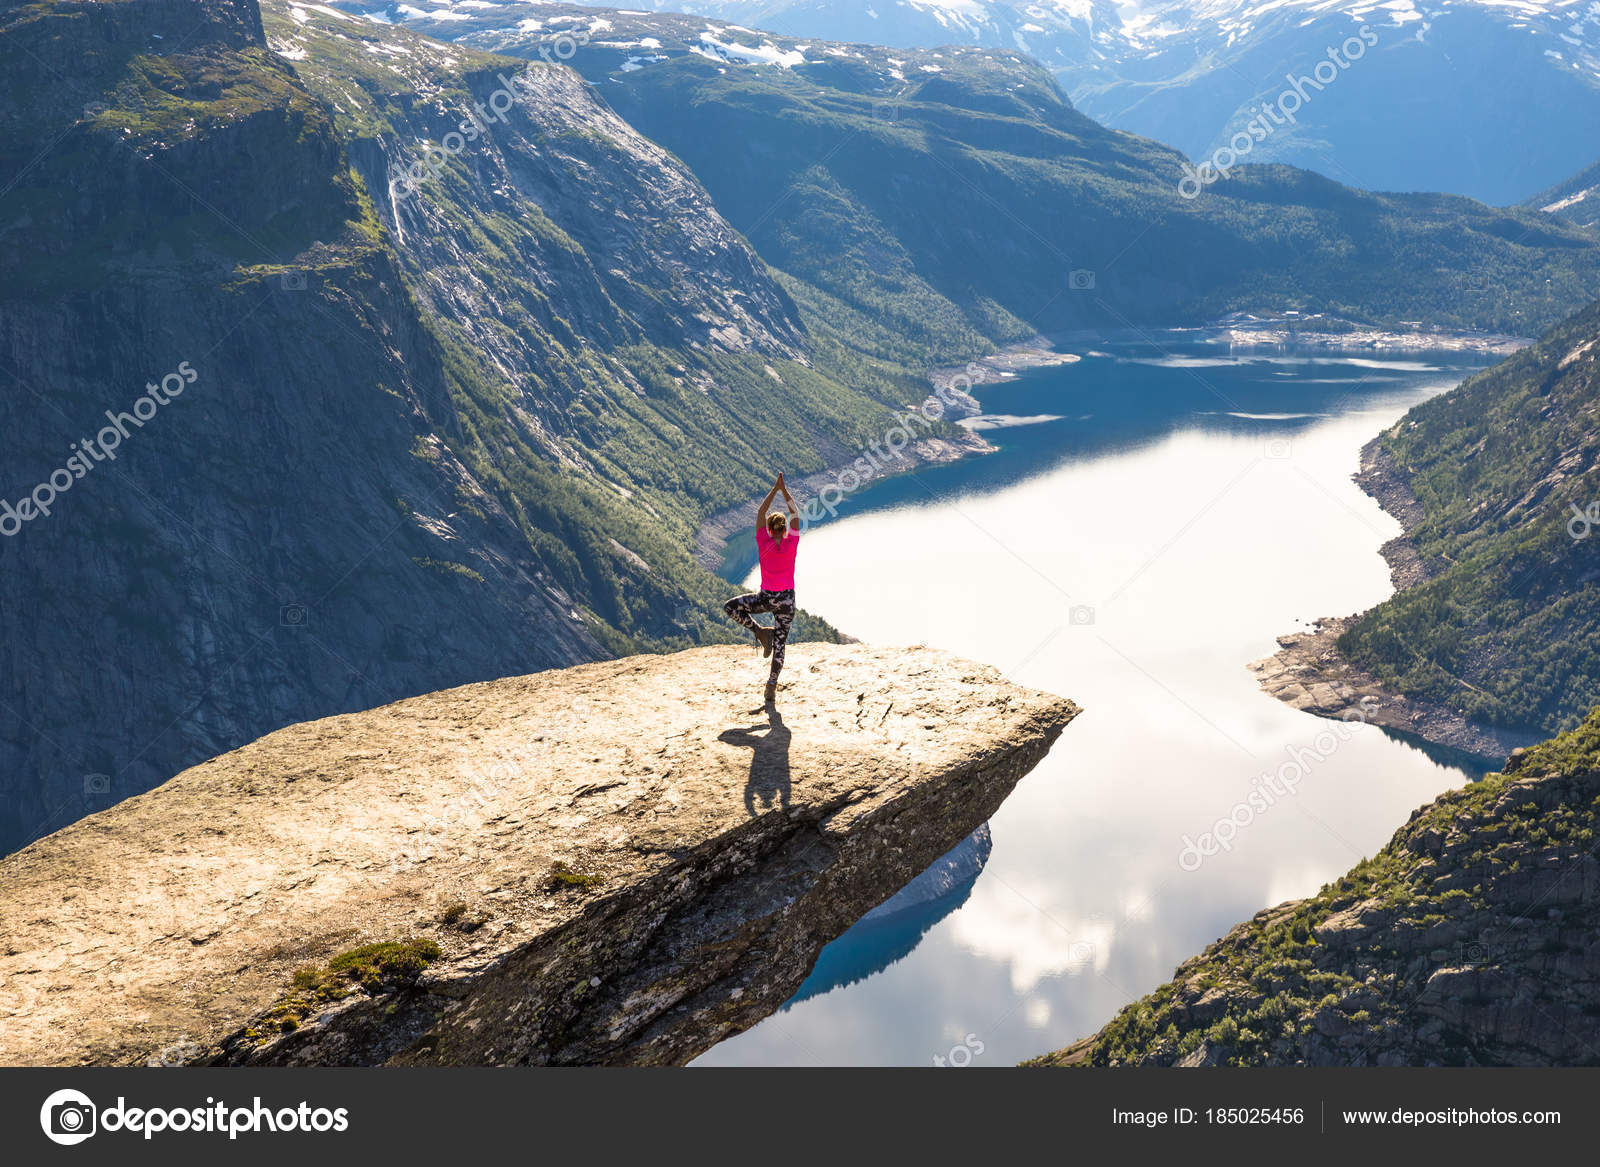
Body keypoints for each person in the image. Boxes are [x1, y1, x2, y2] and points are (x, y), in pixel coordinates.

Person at [724, 473, 800, 704]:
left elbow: (760, 513)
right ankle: (771, 685)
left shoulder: (763, 540)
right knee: (780, 645)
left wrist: (774, 490)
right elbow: (795, 513)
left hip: (765, 599)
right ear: (785, 528)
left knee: (731, 607)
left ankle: (758, 631)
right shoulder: (791, 542)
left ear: (768, 528)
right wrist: (785, 491)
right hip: (786, 601)